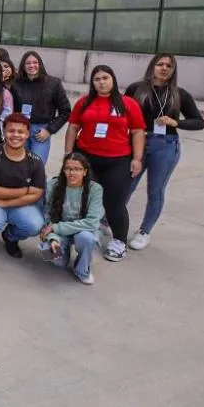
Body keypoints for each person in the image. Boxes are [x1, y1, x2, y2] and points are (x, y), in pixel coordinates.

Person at [65, 65, 146, 262]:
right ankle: (85, 235)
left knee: (114, 204)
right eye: (97, 79)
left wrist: (137, 159)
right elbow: (73, 128)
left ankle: (119, 241)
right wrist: (69, 155)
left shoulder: (127, 104)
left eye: (105, 78)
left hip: (117, 161)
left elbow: (137, 131)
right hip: (86, 159)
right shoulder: (84, 103)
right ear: (92, 83)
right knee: (83, 199)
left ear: (113, 79)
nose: (101, 82)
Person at [124, 53, 204, 250]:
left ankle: (144, 231)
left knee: (155, 190)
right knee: (126, 185)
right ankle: (107, 220)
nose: (164, 68)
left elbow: (199, 122)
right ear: (152, 66)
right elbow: (121, 113)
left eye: (169, 65)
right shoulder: (136, 89)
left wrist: (176, 122)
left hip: (165, 145)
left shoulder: (179, 94)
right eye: (160, 64)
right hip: (138, 141)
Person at [0, 114, 46, 258]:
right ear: (4, 132)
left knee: (35, 225)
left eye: (21, 132)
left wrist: (4, 201)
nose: (15, 135)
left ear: (27, 134)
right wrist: (25, 191)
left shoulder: (36, 162)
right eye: (11, 131)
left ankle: (11, 237)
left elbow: (36, 194)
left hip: (13, 204)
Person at [40, 153, 104, 285]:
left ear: (85, 172)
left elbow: (92, 223)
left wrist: (54, 228)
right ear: (63, 170)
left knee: (86, 238)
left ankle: (82, 269)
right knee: (50, 255)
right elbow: (48, 217)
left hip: (83, 231)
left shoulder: (95, 189)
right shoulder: (53, 185)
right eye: (68, 168)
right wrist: (53, 237)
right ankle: (64, 253)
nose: (72, 173)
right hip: (60, 232)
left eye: (77, 169)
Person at [13, 51, 71, 164]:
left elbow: (66, 111)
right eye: (28, 63)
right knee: (18, 165)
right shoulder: (16, 84)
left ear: (40, 64)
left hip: (40, 132)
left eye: (35, 62)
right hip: (20, 130)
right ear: (23, 66)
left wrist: (50, 130)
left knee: (36, 166)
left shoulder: (53, 83)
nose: (31, 65)